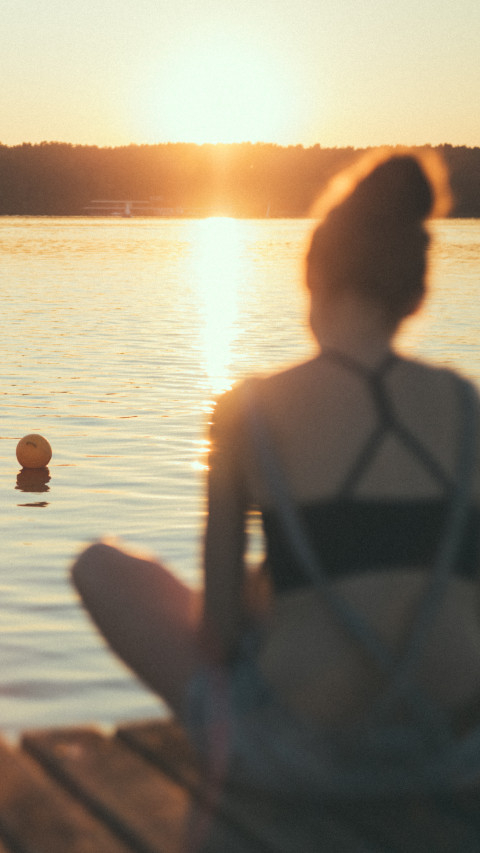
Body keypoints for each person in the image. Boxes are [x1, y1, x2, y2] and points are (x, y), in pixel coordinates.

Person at [71, 149, 480, 847]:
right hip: (455, 757)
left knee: (102, 567)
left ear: (313, 279)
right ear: (414, 296)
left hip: (295, 761)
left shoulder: (250, 410)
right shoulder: (466, 405)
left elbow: (218, 637)